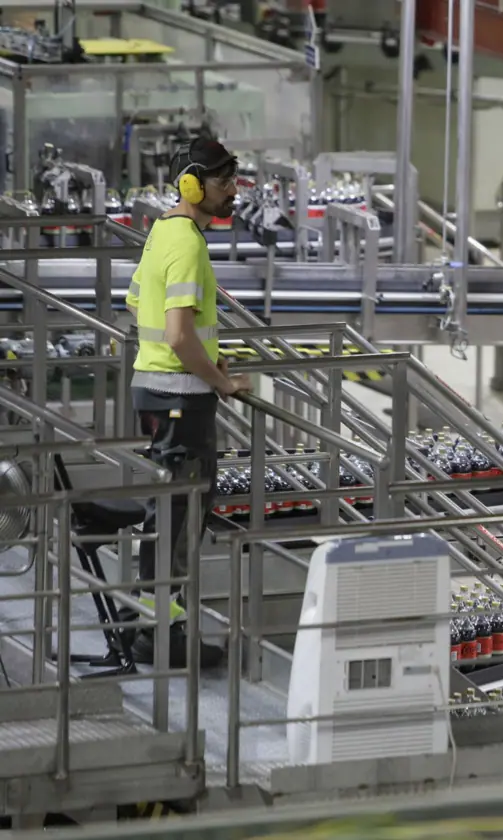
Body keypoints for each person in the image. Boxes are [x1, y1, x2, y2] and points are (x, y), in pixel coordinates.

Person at [123, 135, 250, 668]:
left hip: (157, 387)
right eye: (223, 182)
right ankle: (163, 634)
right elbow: (178, 334)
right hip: (180, 397)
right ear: (194, 183)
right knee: (180, 515)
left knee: (167, 511)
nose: (233, 193)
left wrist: (197, 359)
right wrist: (219, 382)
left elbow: (134, 300)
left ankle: (148, 622)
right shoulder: (189, 243)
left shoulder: (162, 233)